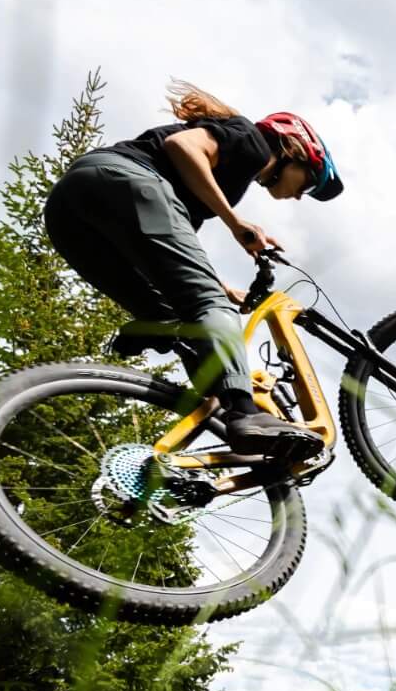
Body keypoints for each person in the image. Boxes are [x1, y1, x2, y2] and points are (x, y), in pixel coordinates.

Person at [43, 81, 343, 456]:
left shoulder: (216, 180)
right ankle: (245, 412)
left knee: (180, 312)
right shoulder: (251, 142)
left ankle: (159, 331)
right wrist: (236, 224)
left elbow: (173, 250)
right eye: (309, 184)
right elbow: (182, 146)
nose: (300, 195)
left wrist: (223, 286)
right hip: (128, 181)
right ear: (295, 151)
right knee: (209, 305)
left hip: (68, 212)